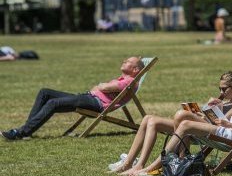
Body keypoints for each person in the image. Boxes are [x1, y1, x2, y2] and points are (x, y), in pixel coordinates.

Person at [131, 66, 232, 176]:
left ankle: (154, 167)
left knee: (185, 124)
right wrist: (207, 113)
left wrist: (230, 125)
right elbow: (222, 120)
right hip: (226, 131)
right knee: (183, 116)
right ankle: (176, 161)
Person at [109, 71, 232, 176]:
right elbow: (208, 119)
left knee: (182, 114)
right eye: (220, 89)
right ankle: (131, 164)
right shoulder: (222, 101)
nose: (221, 92)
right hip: (194, 127)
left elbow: (222, 127)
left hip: (213, 132)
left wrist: (215, 111)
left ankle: (179, 157)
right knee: (149, 119)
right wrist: (203, 111)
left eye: (224, 89)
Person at [0, 57, 144, 140]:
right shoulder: (122, 80)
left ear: (135, 70)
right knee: (45, 92)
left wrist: (102, 85)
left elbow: (103, 88)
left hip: (96, 103)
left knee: (53, 103)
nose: (123, 61)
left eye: (127, 61)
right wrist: (101, 86)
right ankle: (27, 129)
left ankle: (21, 132)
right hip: (88, 97)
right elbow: (100, 87)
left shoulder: (130, 82)